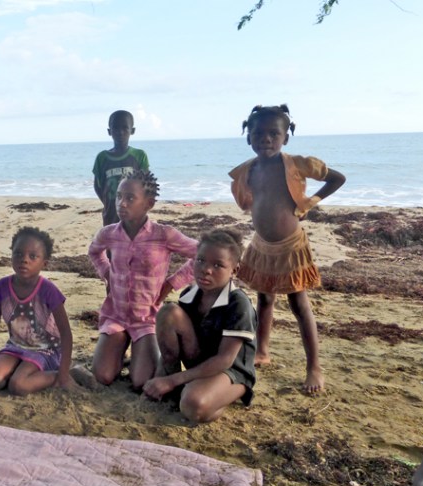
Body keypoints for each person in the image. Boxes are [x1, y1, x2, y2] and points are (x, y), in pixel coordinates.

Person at [229, 104, 346, 394]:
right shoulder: (249, 170)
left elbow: (337, 178)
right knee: (264, 299)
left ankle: (314, 367)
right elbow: (253, 201)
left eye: (274, 133)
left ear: (286, 138)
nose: (266, 139)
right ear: (248, 137)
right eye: (258, 133)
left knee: (298, 304)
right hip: (262, 245)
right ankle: (262, 351)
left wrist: (310, 202)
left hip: (291, 246)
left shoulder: (296, 164)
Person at [88, 170, 198, 390]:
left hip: (147, 318)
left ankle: (138, 355)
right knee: (103, 376)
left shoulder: (163, 234)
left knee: (140, 382)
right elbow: (94, 251)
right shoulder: (109, 233)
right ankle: (119, 352)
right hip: (116, 315)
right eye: (119, 196)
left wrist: (171, 284)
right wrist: (107, 273)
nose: (122, 203)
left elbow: (201, 254)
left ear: (149, 204)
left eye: (130, 198)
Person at [142, 229, 257, 423]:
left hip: (231, 370)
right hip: (199, 362)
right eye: (200, 260)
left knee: (193, 405)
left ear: (234, 270)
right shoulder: (190, 294)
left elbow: (224, 360)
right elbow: (176, 342)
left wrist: (171, 381)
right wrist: (165, 375)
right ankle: (181, 386)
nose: (206, 270)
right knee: (168, 312)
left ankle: (226, 394)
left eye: (218, 265)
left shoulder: (238, 304)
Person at [0, 227, 75, 396]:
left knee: (18, 386)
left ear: (44, 263)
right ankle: (20, 368)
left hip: (45, 349)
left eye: (32, 256)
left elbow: (66, 334)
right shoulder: (2, 287)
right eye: (18, 254)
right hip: (16, 346)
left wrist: (63, 375)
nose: (24, 260)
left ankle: (57, 375)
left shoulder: (49, 291)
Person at [92, 110, 150, 227]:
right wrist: (109, 204)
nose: (120, 132)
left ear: (132, 130)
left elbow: (146, 186)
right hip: (111, 216)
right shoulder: (102, 158)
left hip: (134, 216)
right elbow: (98, 186)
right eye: (116, 128)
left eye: (125, 128)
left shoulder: (139, 156)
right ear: (109, 131)